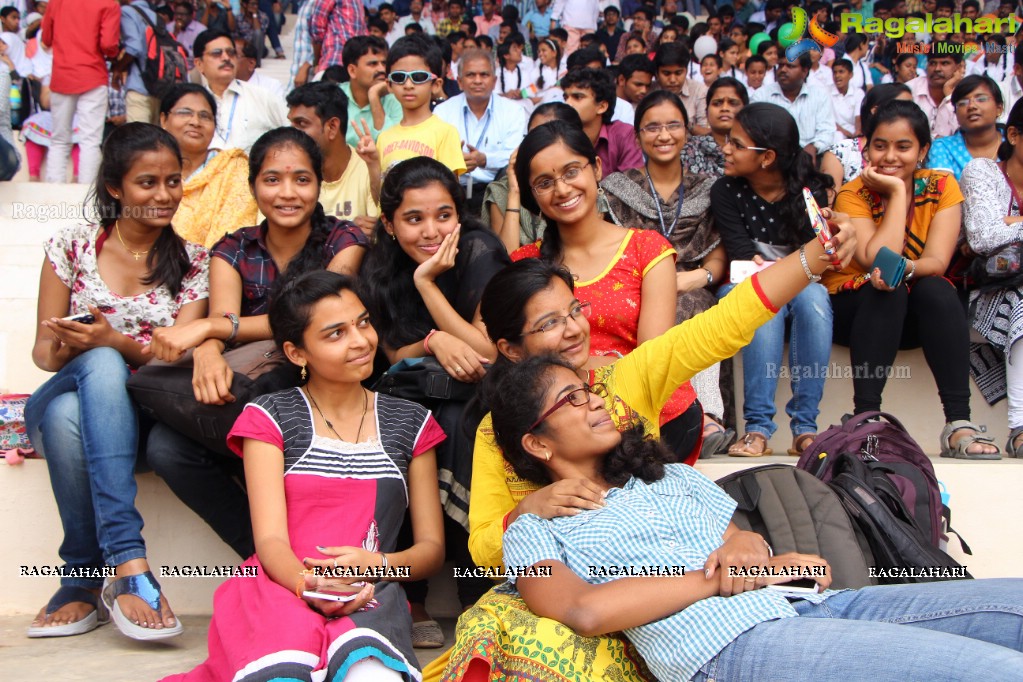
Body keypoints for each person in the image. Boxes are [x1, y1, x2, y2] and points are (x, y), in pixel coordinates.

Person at [433, 198, 858, 681]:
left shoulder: (627, 379)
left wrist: (814, 257)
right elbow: (485, 550)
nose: (574, 329)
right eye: (549, 324)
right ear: (509, 349)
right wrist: (530, 509)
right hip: (565, 592)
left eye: (574, 310)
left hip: (670, 588)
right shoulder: (501, 431)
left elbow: (724, 323)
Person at [487, 357, 1023, 682]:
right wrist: (715, 578)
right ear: (536, 441)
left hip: (815, 608)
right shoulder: (535, 531)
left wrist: (758, 556)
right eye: (571, 400)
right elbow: (583, 609)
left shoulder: (666, 476)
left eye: (588, 390)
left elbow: (741, 548)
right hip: (728, 648)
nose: (594, 403)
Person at [161, 270, 446, 682]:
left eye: (363, 322)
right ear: (297, 353)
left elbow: (432, 550)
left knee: (370, 676)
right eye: (335, 334)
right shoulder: (269, 417)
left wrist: (379, 564)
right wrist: (308, 584)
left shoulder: (412, 423)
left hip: (369, 591)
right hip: (279, 587)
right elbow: (270, 539)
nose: (361, 341)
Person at [145, 127, 368, 556]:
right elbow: (223, 320)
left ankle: (311, 551)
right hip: (253, 387)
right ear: (252, 187)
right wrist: (209, 348)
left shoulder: (344, 242)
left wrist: (211, 331)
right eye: (272, 179)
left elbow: (317, 321)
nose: (288, 193)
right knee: (165, 447)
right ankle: (265, 558)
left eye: (302, 179)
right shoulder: (233, 249)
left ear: (320, 185)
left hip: (321, 384)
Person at [25, 123, 209, 641]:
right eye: (147, 182)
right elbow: (42, 355)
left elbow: (177, 356)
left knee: (72, 415)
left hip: (142, 420)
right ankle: (129, 560)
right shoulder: (70, 246)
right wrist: (68, 345)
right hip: (67, 386)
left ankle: (81, 580)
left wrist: (117, 341)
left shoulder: (195, 262)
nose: (164, 195)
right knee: (95, 371)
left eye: (173, 181)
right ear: (114, 187)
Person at [359, 156, 509, 645]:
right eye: (413, 218)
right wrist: (432, 343)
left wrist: (427, 284)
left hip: (482, 390)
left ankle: (473, 590)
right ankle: (413, 593)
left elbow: (489, 350)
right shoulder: (378, 265)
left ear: (459, 214)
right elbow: (389, 353)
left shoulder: (481, 249)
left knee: (460, 423)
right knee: (408, 426)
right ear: (389, 222)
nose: (431, 230)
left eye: (443, 215)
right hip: (412, 388)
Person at [510, 119, 707, 463]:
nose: (562, 189)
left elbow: (651, 359)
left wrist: (582, 368)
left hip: (652, 415)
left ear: (597, 168)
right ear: (533, 195)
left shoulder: (647, 250)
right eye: (544, 183)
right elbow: (502, 349)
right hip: (565, 423)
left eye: (572, 171)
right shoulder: (525, 264)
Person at [824, 99, 1001, 459]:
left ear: (923, 149)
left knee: (934, 288)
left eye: (903, 146)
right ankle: (865, 418)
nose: (890, 156)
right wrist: (897, 192)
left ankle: (958, 425)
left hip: (913, 312)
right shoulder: (852, 193)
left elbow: (935, 262)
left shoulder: (942, 186)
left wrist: (901, 269)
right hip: (856, 310)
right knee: (888, 290)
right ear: (866, 147)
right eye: (880, 145)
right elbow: (876, 260)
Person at [602, 90, 732, 455]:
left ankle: (706, 416)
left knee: (691, 305)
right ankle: (647, 414)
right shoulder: (616, 189)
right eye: (652, 127)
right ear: (638, 134)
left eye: (673, 125)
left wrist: (698, 277)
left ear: (687, 132)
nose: (663, 135)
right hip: (632, 282)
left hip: (691, 283)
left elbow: (718, 257)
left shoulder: (709, 189)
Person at [711, 103, 835, 457]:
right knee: (761, 302)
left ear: (766, 158)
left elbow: (819, 257)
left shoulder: (809, 191)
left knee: (814, 299)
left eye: (736, 144)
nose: (726, 149)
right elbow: (740, 252)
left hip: (803, 282)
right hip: (745, 280)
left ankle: (806, 427)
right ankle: (757, 429)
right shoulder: (726, 191)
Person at [961, 98, 1023, 457]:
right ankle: (1019, 427)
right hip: (988, 295)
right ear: (1013, 134)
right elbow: (983, 237)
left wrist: (1012, 224)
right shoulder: (983, 171)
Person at [159, 83, 257, 248]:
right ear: (163, 120)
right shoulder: (146, 169)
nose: (195, 122)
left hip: (215, 268)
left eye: (205, 116)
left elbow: (235, 234)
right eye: (185, 113)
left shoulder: (234, 168)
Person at [435, 47, 528, 215]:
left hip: (497, 193)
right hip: (452, 191)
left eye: (484, 75)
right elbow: (434, 155)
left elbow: (517, 156)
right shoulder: (442, 112)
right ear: (459, 81)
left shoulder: (513, 112)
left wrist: (485, 160)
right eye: (470, 75)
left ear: (494, 80)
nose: (477, 80)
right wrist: (455, 161)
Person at [39, 0, 118, 186]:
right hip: (92, 74)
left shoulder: (56, 2)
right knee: (90, 141)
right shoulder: (109, 4)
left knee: (59, 139)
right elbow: (108, 44)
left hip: (62, 75)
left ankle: (54, 190)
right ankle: (86, 195)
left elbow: (46, 38)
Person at [481, 101, 578, 253]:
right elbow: (506, 260)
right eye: (534, 136)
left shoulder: (581, 185)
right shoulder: (502, 190)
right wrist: (514, 192)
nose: (540, 145)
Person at [288, 82, 380, 236]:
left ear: (332, 127)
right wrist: (345, 233)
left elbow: (375, 233)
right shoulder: (284, 173)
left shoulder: (369, 169)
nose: (291, 133)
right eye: (290, 123)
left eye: (301, 124)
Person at [376, 34, 466, 176]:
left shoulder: (446, 133)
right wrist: (370, 163)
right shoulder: (383, 138)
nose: (408, 85)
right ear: (389, 85)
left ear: (436, 84)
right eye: (399, 77)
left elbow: (451, 193)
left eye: (419, 77)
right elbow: (377, 195)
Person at [192, 29, 288, 153]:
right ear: (199, 64)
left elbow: (292, 134)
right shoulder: (194, 102)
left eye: (231, 53)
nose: (226, 58)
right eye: (217, 53)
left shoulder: (262, 97)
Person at [820, 83, 913, 188]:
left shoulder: (913, 151)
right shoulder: (841, 153)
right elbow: (829, 203)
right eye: (902, 108)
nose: (910, 114)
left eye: (912, 108)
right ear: (875, 111)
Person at [750, 53, 835, 163]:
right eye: (780, 65)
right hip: (772, 159)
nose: (783, 70)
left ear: (804, 71)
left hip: (808, 158)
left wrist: (813, 147)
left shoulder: (819, 95)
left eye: (790, 66)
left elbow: (827, 131)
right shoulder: (761, 96)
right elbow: (754, 131)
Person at [562, 67, 644, 175]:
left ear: (601, 107)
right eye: (566, 97)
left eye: (577, 97)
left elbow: (634, 188)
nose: (568, 103)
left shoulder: (624, 134)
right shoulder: (559, 137)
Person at [928, 75, 1004, 181]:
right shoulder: (943, 148)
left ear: (999, 108)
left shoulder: (1014, 143)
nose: (972, 106)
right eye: (963, 103)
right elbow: (944, 194)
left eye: (981, 99)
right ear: (956, 114)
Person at [682, 76, 747, 178]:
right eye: (717, 103)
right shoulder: (689, 149)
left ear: (746, 110)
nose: (724, 108)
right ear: (706, 112)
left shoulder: (753, 151)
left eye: (732, 103)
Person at [114, 0, 162, 124]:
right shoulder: (156, 16)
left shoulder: (127, 12)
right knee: (156, 138)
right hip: (160, 87)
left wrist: (118, 68)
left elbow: (134, 47)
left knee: (138, 138)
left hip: (139, 85)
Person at [906, 43, 962, 139]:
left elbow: (964, 132)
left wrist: (949, 96)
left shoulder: (966, 93)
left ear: (958, 68)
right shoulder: (909, 89)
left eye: (944, 63)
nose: (937, 69)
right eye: (932, 63)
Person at [654, 42, 709, 136]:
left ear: (686, 71)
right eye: (666, 73)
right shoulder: (648, 91)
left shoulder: (699, 91)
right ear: (657, 73)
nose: (672, 80)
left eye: (678, 73)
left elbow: (706, 133)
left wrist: (685, 123)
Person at [309, 0, 369, 72]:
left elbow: (317, 30)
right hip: (353, 66)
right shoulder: (358, 2)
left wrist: (317, 61)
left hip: (334, 61)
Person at [831, 58, 865, 140]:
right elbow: (829, 120)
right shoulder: (827, 93)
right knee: (838, 136)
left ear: (851, 75)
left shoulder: (858, 93)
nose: (837, 76)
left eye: (841, 72)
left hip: (853, 132)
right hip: (835, 132)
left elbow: (858, 117)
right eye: (834, 72)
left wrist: (857, 132)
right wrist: (846, 134)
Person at [524, 37, 563, 106]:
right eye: (539, 51)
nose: (540, 54)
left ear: (554, 53)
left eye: (544, 50)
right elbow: (528, 94)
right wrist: (548, 97)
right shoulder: (535, 72)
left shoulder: (564, 70)